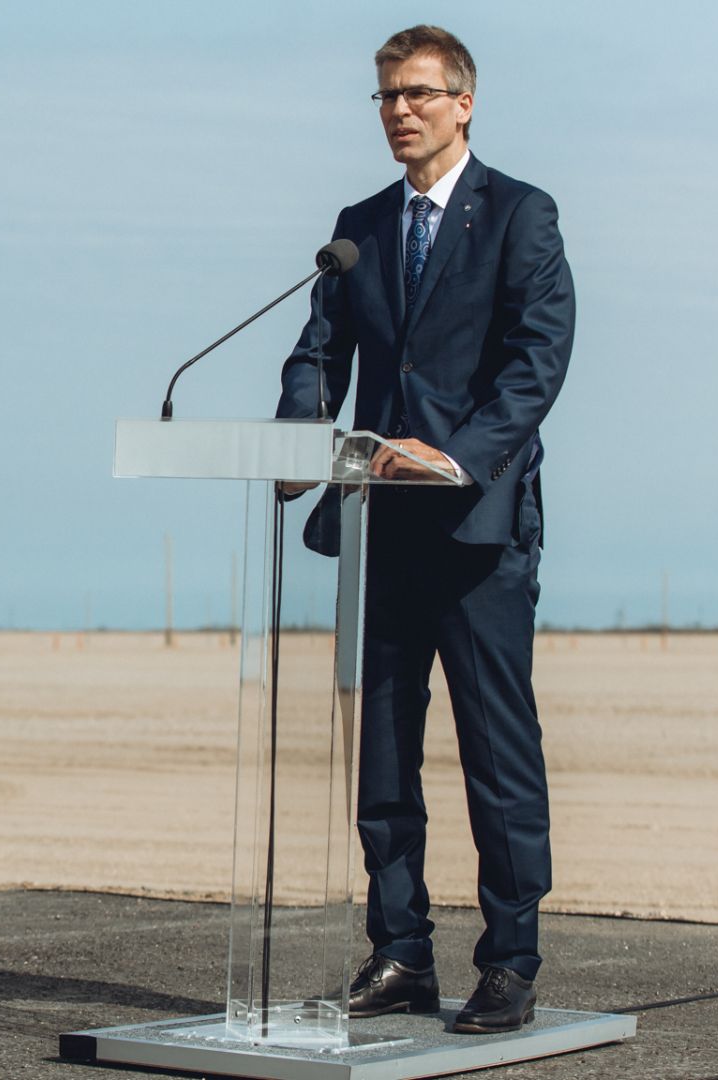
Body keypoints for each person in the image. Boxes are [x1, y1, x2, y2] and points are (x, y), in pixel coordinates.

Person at [275, 26, 574, 1033]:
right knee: (386, 758)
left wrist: (457, 455)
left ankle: (511, 962)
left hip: (480, 529)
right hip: (382, 529)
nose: (399, 111)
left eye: (416, 95)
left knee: (497, 755)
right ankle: (399, 952)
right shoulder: (357, 229)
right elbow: (317, 351)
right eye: (385, 98)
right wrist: (296, 437)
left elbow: (538, 357)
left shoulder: (520, 216)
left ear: (463, 103)